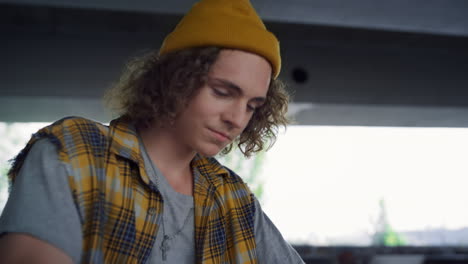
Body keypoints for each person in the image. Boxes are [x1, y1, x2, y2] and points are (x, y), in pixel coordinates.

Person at [0, 0, 305, 263]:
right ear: (175, 79)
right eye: (223, 92)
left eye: (252, 106)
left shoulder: (234, 198)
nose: (238, 119)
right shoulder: (75, 151)